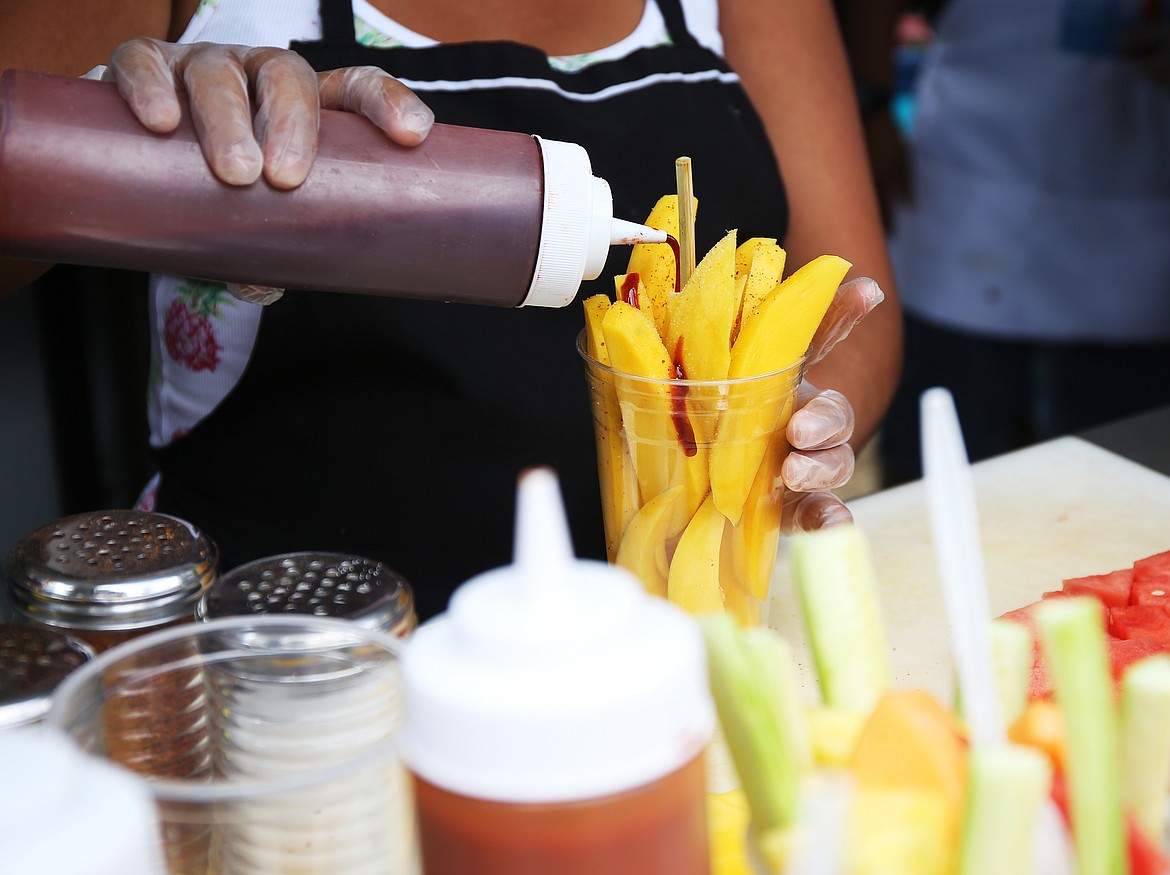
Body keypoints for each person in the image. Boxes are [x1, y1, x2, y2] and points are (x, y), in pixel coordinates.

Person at [0, 0, 901, 620]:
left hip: (661, 631)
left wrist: (790, 432)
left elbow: (854, 293)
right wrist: (119, 138)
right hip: (292, 653)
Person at [840, 0, 1170, 486]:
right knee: (934, 480)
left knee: (1123, 485)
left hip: (1143, 206)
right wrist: (870, 103)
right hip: (969, 192)